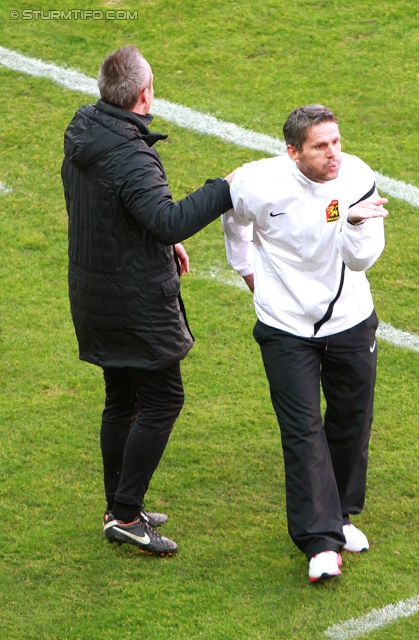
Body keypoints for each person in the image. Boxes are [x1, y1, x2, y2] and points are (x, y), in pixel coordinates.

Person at [61, 45, 235, 557]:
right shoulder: (131, 154)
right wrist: (225, 188)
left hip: (95, 289)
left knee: (122, 397)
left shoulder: (85, 133)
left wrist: (159, 238)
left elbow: (120, 211)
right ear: (144, 94)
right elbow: (168, 219)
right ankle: (126, 514)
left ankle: (118, 504)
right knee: (162, 399)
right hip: (132, 296)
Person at [222, 104, 388, 582]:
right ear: (293, 152)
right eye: (320, 146)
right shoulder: (258, 183)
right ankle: (319, 542)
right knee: (302, 430)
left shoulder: (356, 176)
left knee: (352, 420)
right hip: (284, 327)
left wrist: (354, 223)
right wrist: (245, 268)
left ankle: (340, 517)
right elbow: (235, 218)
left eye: (336, 141)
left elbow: (361, 261)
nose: (334, 154)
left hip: (350, 320)